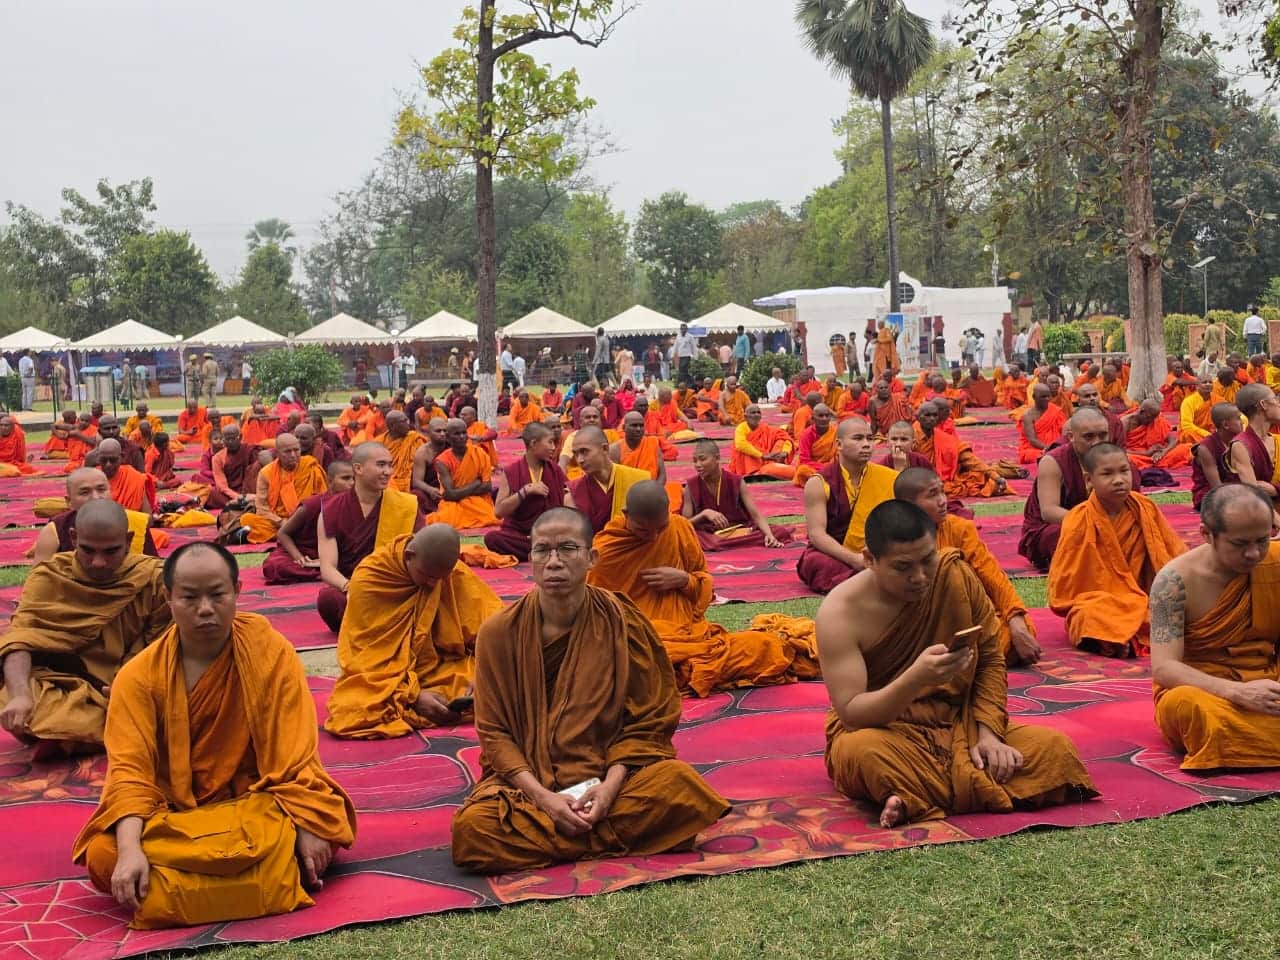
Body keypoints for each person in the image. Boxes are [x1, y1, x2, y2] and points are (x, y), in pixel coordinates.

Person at [71, 541, 356, 929]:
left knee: (325, 822)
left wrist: (306, 822)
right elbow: (129, 775)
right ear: (168, 597)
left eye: (217, 594)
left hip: (259, 806)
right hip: (175, 819)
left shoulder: (270, 652)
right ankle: (271, 877)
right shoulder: (137, 678)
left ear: (238, 592)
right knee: (105, 855)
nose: (205, 609)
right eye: (189, 597)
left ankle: (176, 892)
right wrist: (129, 850)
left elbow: (296, 757)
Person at [451, 507, 729, 872]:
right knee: (474, 831)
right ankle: (603, 831)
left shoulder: (622, 621)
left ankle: (566, 833)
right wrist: (544, 798)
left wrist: (610, 787)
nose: (553, 562)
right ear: (529, 558)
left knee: (679, 787)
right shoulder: (499, 633)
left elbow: (648, 720)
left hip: (611, 778)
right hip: (530, 786)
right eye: (541, 551)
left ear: (591, 558)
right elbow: (494, 732)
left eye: (567, 549)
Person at [818, 500, 1095, 827]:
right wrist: (915, 680)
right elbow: (852, 714)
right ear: (869, 560)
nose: (919, 577)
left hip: (960, 722)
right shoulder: (839, 614)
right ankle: (941, 785)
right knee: (862, 753)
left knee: (1055, 749)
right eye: (903, 567)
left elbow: (990, 657)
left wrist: (989, 733)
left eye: (927, 560)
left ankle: (911, 794)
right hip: (888, 730)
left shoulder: (953, 575)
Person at [589, 482, 816, 695]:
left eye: (661, 528)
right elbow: (594, 614)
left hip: (687, 634)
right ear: (626, 515)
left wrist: (684, 580)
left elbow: (705, 585)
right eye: (643, 531)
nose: (654, 537)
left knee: (765, 646)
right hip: (636, 639)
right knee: (625, 666)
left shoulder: (679, 527)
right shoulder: (607, 550)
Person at [0, 501, 170, 755]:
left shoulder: (153, 577)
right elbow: (20, 639)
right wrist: (21, 696)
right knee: (14, 695)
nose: (98, 562)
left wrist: (130, 686)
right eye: (88, 551)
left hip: (129, 683)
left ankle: (75, 736)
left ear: (128, 540)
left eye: (111, 552)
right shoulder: (51, 575)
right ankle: (102, 731)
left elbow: (164, 646)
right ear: (73, 537)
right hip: (63, 686)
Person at [325, 526, 503, 738]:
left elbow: (496, 626)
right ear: (410, 556)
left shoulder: (450, 573)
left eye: (439, 578)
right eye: (427, 576)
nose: (433, 584)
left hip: (443, 667)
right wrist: (412, 696)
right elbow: (365, 658)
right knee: (351, 708)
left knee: (508, 678)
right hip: (388, 678)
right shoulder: (370, 579)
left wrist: (486, 670)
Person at [1148, 484, 1280, 769]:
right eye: (1240, 543)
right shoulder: (1172, 582)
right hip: (1207, 692)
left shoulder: (1276, 564)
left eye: (1263, 540)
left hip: (1270, 685)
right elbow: (1164, 668)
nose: (1254, 554)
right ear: (1206, 534)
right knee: (1192, 708)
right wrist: (1237, 692)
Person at [1048, 443, 1186, 656]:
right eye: (1107, 474)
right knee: (1086, 616)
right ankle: (1118, 636)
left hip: (1146, 595)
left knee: (1182, 609)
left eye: (1124, 471)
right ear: (1089, 480)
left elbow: (1172, 553)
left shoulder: (1145, 508)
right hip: (1101, 602)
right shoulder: (1078, 519)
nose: (1119, 480)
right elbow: (1066, 584)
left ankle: (1117, 639)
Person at [893, 468, 1040, 665]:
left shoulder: (960, 529)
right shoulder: (895, 537)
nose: (943, 501)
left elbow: (991, 574)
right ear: (908, 505)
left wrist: (1015, 617)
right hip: (920, 626)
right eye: (932, 495)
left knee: (1019, 630)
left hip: (966, 618)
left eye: (942, 492)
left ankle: (958, 657)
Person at [316, 442, 423, 632]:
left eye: (390, 465)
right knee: (328, 600)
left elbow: (422, 553)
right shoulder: (331, 510)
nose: (388, 472)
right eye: (381, 465)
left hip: (396, 587)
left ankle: (374, 624)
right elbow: (327, 568)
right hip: (354, 589)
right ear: (358, 468)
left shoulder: (405, 505)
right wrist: (350, 588)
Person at [797, 418, 897, 593]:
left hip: (875, 550)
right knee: (816, 563)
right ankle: (872, 582)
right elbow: (816, 534)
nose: (866, 444)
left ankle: (872, 579)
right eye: (858, 438)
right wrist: (854, 559)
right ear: (839, 444)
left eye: (870, 438)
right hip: (835, 552)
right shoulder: (819, 483)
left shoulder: (888, 478)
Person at [683, 439, 790, 551]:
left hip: (739, 530)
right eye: (695, 461)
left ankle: (729, 543)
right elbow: (684, 524)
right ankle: (730, 543)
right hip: (708, 534)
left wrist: (770, 535)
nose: (698, 465)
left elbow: (756, 515)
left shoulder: (736, 481)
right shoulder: (691, 486)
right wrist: (704, 514)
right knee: (701, 539)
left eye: (702, 459)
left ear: (717, 458)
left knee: (780, 532)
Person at [262, 459, 355, 584]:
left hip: (334, 554)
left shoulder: (356, 504)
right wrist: (299, 558)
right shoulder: (313, 504)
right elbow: (283, 533)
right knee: (275, 566)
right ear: (330, 481)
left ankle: (329, 570)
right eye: (346, 478)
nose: (352, 483)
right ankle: (330, 572)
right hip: (304, 551)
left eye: (354, 479)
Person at [485, 422, 568, 562]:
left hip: (550, 534)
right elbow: (499, 511)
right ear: (534, 444)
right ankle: (545, 551)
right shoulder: (512, 471)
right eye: (549, 443)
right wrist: (525, 491)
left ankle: (542, 550)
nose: (553, 448)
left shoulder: (555, 470)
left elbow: (568, 499)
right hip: (521, 535)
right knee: (492, 538)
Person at [238, 433, 328, 544]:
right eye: (287, 451)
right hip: (279, 521)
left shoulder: (311, 466)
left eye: (296, 450)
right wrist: (281, 522)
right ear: (277, 453)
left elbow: (324, 499)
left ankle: (286, 535)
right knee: (247, 519)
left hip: (306, 519)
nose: (293, 455)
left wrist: (302, 519)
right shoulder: (266, 473)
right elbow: (261, 507)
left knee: (323, 522)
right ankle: (291, 534)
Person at [914, 400, 1007, 498]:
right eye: (927, 415)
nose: (932, 419)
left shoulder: (944, 438)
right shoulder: (909, 436)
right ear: (917, 417)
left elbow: (970, 460)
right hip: (916, 479)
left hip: (939, 479)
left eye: (935, 415)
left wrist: (996, 477)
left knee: (979, 477)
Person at [565, 426, 650, 533]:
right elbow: (575, 536)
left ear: (605, 449)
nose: (580, 460)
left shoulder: (638, 480)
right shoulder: (573, 493)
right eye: (576, 454)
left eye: (584, 451)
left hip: (633, 547)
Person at [430, 418, 499, 529]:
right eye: (457, 434)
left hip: (479, 500)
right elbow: (449, 495)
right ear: (448, 437)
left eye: (464, 432)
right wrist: (475, 483)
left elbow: (487, 486)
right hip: (454, 504)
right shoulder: (442, 461)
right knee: (447, 520)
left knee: (489, 517)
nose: (462, 437)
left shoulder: (479, 454)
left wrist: (458, 492)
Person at [1227, 382, 1280, 498]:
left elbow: (1270, 490)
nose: (1279, 404)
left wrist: (1276, 490)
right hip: (1260, 512)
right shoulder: (1241, 445)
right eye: (1275, 398)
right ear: (1263, 404)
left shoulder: (1277, 440)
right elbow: (1255, 496)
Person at [1191, 403, 1243, 510]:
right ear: (1225, 425)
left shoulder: (1240, 442)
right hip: (1211, 495)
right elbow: (1216, 486)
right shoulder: (1206, 448)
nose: (1242, 422)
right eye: (1238, 418)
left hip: (1236, 489)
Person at [730, 403, 794, 481]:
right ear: (745, 417)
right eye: (753, 413)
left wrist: (785, 452)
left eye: (758, 412)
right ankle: (756, 472)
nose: (756, 415)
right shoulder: (741, 428)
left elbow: (785, 437)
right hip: (752, 463)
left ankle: (776, 466)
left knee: (781, 440)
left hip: (769, 460)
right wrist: (762, 456)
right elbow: (740, 445)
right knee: (746, 451)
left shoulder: (765, 428)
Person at [1122, 399, 1193, 469]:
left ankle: (1154, 462)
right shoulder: (1125, 423)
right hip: (1137, 455)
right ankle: (1152, 462)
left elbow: (1173, 439)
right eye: (1149, 418)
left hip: (1158, 454)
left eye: (1154, 418)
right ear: (1142, 412)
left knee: (1187, 448)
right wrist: (1146, 453)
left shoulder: (1156, 419)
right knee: (1126, 459)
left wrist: (1163, 452)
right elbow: (1119, 449)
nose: (1151, 421)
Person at [96, 439, 155, 514]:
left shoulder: (134, 477)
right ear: (98, 458)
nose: (108, 464)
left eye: (113, 460)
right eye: (104, 460)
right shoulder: (92, 479)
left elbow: (147, 517)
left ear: (122, 457)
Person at [1017, 384, 1067, 463]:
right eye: (1043, 397)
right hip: (1036, 449)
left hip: (1056, 446)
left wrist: (1059, 445)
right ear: (1034, 397)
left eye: (1048, 396)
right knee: (1035, 456)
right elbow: (1032, 440)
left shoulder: (1056, 411)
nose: (1047, 399)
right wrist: (1050, 448)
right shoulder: (1028, 416)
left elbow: (1065, 431)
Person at [792, 402, 837, 486]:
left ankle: (823, 479)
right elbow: (804, 460)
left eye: (827, 415)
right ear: (813, 419)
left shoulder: (836, 432)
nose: (824, 418)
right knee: (803, 470)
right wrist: (825, 467)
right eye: (820, 416)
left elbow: (840, 455)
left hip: (832, 466)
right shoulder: (806, 434)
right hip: (813, 468)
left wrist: (832, 466)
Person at [1178, 375, 1215, 443]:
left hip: (1213, 433)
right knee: (1187, 434)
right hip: (1196, 434)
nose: (1208, 384)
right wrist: (1206, 434)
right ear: (1197, 386)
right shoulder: (1188, 401)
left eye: (1210, 382)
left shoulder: (1218, 399)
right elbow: (1187, 425)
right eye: (1204, 382)